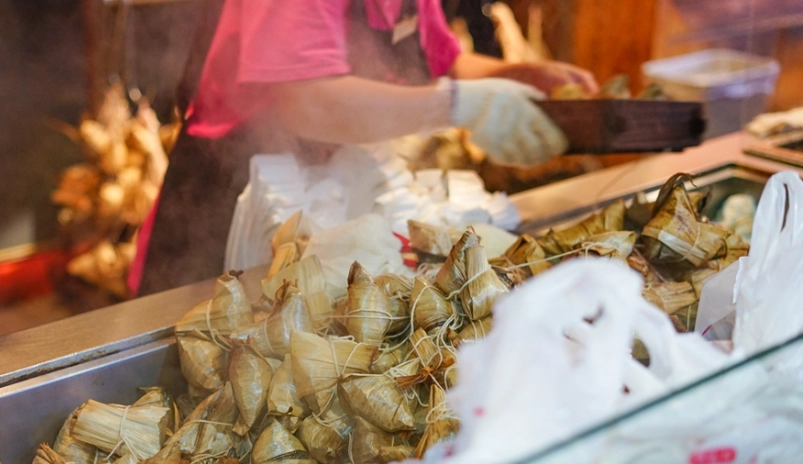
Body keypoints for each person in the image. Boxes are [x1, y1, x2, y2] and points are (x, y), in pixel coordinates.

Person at [132, 0, 598, 296]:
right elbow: (308, 102)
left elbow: (444, 61)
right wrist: (461, 107)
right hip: (228, 204)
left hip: (326, 194)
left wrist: (516, 77)